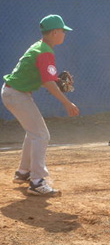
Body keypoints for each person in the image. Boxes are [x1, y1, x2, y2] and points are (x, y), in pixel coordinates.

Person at [1, 14, 80, 196]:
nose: (64, 34)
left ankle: (23, 172)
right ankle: (37, 182)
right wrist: (67, 103)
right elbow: (48, 82)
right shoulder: (45, 51)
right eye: (62, 31)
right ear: (53, 33)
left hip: (13, 93)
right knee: (41, 135)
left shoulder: (40, 47)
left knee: (34, 133)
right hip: (16, 94)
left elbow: (46, 77)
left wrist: (52, 80)